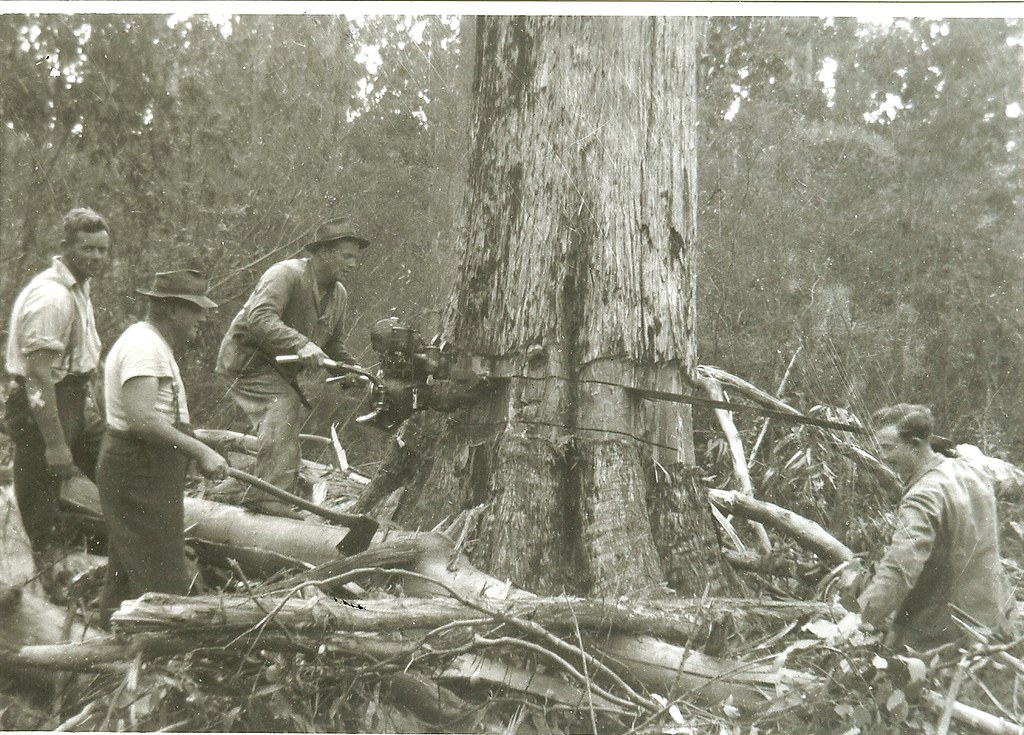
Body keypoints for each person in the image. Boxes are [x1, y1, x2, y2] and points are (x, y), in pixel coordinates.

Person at [97, 269, 227, 627]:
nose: (201, 318)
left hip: (145, 470)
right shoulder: (144, 346)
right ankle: (156, 661)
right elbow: (141, 418)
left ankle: (107, 650)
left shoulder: (151, 344)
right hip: (138, 471)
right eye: (196, 310)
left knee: (127, 570)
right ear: (172, 310)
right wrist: (199, 450)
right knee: (161, 579)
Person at [214, 217, 369, 512]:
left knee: (284, 419)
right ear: (322, 252)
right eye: (346, 256)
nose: (353, 264)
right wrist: (301, 344)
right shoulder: (285, 274)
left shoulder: (339, 295)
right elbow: (258, 318)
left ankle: (245, 488)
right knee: (283, 408)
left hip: (277, 369)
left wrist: (351, 369)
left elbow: (333, 344)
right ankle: (269, 501)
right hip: (247, 361)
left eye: (356, 258)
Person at [3, 207, 109, 570]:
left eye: (101, 249)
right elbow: (37, 377)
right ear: (66, 247)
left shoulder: (78, 287)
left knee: (114, 464)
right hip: (44, 404)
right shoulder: (52, 298)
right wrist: (56, 442)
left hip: (73, 398)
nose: (96, 257)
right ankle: (45, 581)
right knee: (40, 498)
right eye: (87, 249)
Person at [855, 403, 1011, 650]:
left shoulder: (923, 496)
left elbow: (900, 568)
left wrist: (859, 616)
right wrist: (974, 457)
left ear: (915, 444)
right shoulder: (975, 468)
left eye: (888, 447)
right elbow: (1014, 478)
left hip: (941, 634)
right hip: (990, 620)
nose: (882, 456)